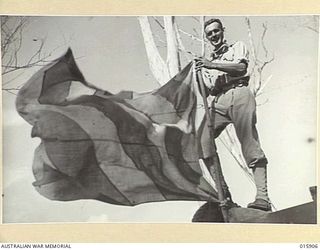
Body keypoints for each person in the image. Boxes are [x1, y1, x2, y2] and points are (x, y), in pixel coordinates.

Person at [195, 18, 271, 212]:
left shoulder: (237, 47)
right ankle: (225, 195)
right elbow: (209, 91)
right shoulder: (206, 63)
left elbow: (241, 68)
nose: (213, 35)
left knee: (249, 144)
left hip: (239, 93)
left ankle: (263, 198)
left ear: (222, 31)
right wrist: (198, 74)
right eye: (209, 33)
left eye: (216, 31)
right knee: (202, 141)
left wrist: (211, 65)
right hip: (219, 101)